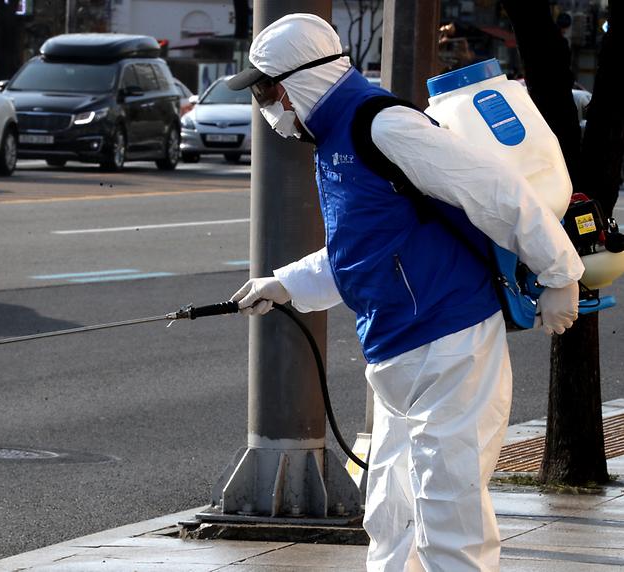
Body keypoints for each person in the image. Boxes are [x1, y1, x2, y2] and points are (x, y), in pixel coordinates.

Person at [227, 13, 584, 572]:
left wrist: (561, 273)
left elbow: (496, 192)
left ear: (303, 79)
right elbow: (364, 249)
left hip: (452, 343)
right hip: (396, 350)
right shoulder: (333, 139)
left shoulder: (384, 125)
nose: (267, 106)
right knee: (390, 508)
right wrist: (287, 283)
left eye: (269, 90)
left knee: (448, 508)